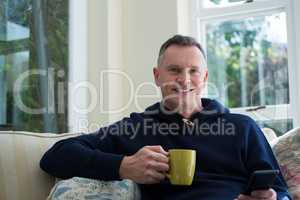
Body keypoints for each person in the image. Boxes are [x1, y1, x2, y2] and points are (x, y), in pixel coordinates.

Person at [40, 35, 291, 200]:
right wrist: (123, 166)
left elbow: (281, 191)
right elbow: (55, 156)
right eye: (174, 70)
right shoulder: (136, 128)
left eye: (193, 71)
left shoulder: (242, 127)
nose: (184, 79)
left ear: (204, 78)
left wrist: (273, 198)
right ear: (157, 76)